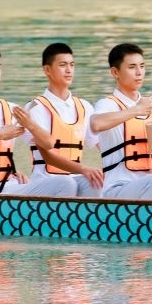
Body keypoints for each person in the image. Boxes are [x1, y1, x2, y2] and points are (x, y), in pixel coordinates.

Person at [0, 44, 76, 197]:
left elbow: (48, 144)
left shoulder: (12, 109)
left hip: (10, 188)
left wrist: (30, 124)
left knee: (65, 183)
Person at [89, 43, 152, 200]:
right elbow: (96, 124)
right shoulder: (107, 104)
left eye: (142, 66)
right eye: (132, 67)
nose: (139, 72)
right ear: (115, 72)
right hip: (117, 189)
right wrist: (135, 110)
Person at [23, 43, 104, 197]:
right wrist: (84, 169)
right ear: (47, 70)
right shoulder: (36, 107)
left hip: (74, 178)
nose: (69, 70)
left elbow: (105, 147)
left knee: (97, 181)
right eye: (63, 65)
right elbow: (48, 156)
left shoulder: (85, 106)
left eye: (72, 65)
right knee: (67, 183)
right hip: (45, 182)